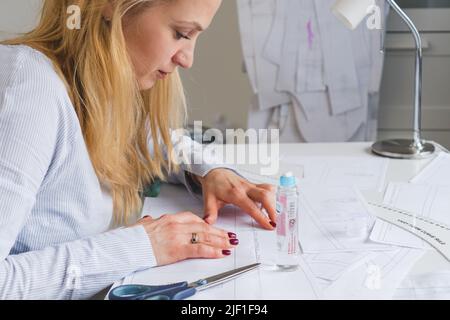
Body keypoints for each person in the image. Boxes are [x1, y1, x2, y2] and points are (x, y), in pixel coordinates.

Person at [0, 0, 276, 300]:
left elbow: (150, 142)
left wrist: (211, 172)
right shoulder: (30, 88)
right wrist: (141, 246)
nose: (187, 59)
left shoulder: (89, 86)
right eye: (182, 33)